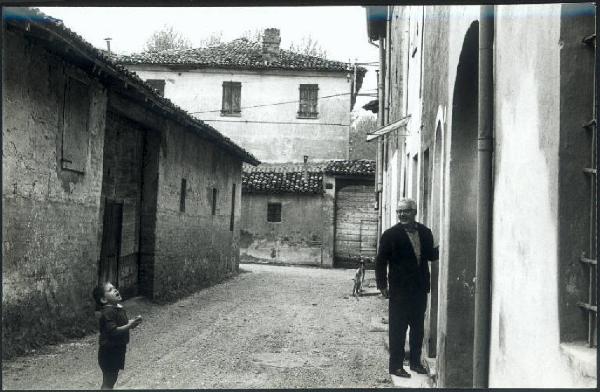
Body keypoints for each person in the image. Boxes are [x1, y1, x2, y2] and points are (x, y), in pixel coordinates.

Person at [375, 198, 439, 378]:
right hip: (399, 290)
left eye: (406, 211)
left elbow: (429, 255)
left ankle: (415, 363)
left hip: (419, 289)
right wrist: (382, 285)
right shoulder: (390, 235)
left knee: (418, 328)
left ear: (414, 212)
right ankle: (395, 366)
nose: (402, 214)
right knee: (398, 329)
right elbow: (380, 261)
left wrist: (444, 246)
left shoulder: (426, 233)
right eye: (399, 211)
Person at [92, 282, 142, 389]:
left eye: (114, 288)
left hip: (116, 349)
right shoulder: (108, 311)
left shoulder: (117, 308)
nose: (115, 290)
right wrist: (129, 325)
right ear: (104, 300)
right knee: (109, 381)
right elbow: (113, 331)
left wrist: (132, 322)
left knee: (111, 380)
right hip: (109, 352)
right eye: (110, 290)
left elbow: (121, 324)